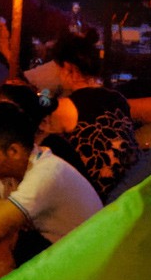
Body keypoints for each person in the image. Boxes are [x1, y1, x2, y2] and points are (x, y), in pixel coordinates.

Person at [0, 102, 103, 280]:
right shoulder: (3, 169)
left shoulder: (46, 173)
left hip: (82, 263)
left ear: (14, 151)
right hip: (52, 251)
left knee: (1, 238)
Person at [42, 30, 140, 196]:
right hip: (132, 190)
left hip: (96, 200)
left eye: (58, 68)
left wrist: (44, 91)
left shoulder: (64, 108)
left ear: (67, 68)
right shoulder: (119, 99)